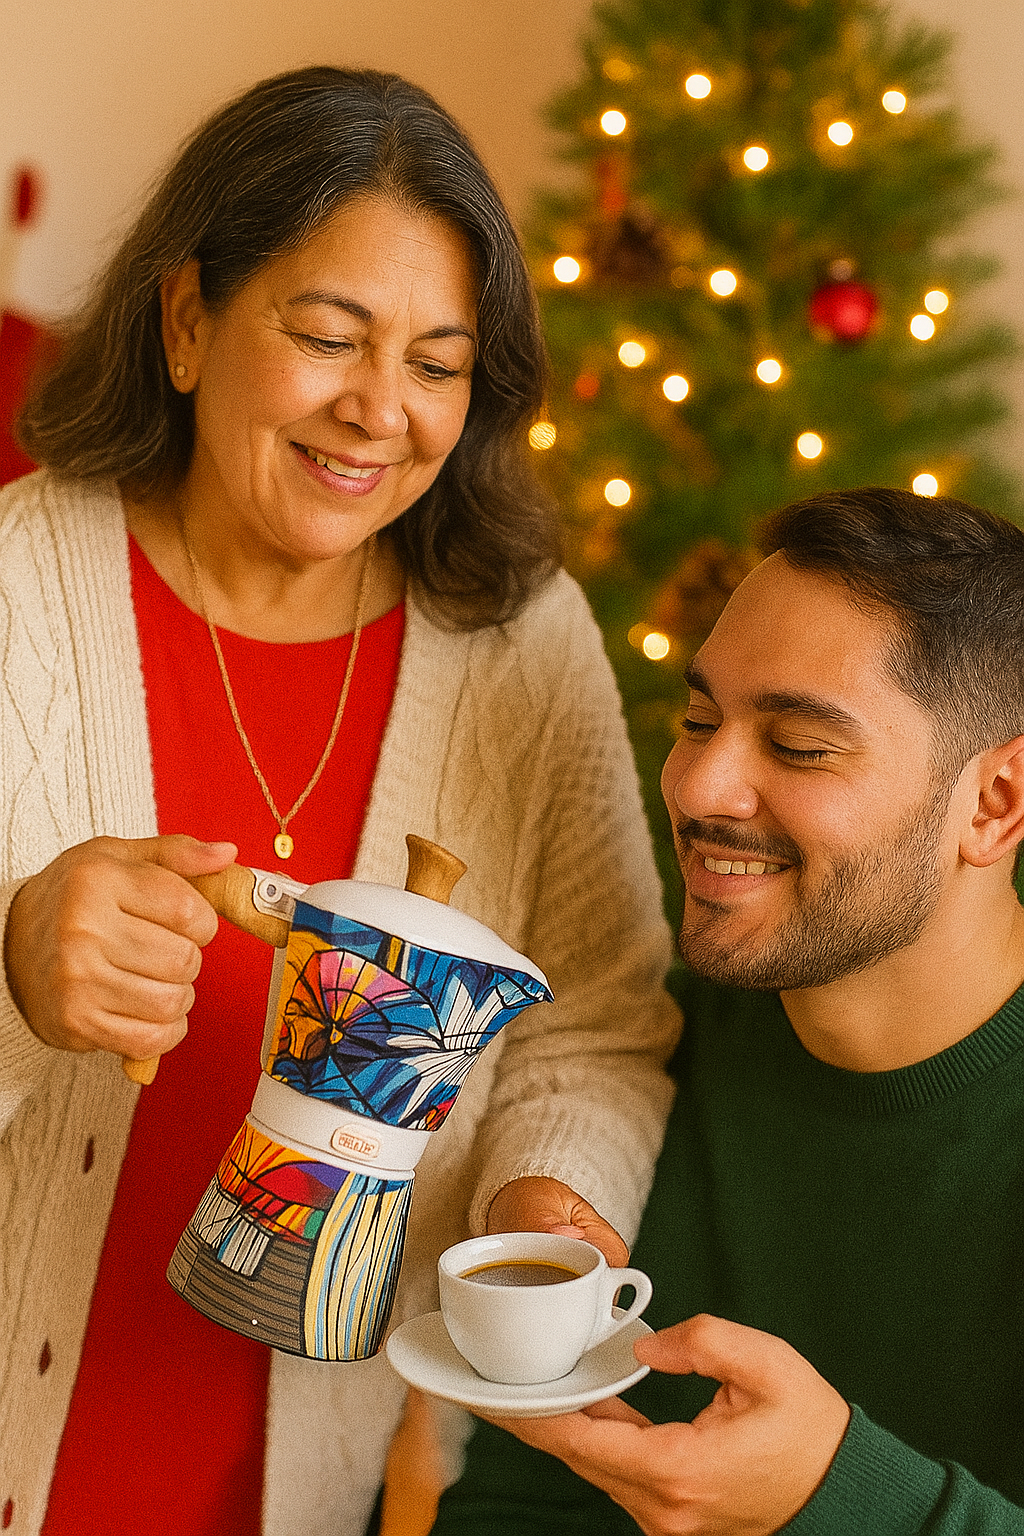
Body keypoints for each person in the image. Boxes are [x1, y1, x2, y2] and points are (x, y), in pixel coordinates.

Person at [0, 68, 680, 1536]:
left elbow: (600, 1016)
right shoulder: (14, 590)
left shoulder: (523, 639)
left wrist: (546, 1213)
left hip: (323, 1483)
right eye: (327, 337)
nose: (382, 411)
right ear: (185, 322)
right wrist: (11, 968)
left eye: (439, 364)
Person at [431, 485, 1024, 1535]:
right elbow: (515, 1502)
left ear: (993, 804)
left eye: (798, 747)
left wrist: (831, 1495)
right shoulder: (631, 1067)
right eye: (698, 719)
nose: (700, 785)